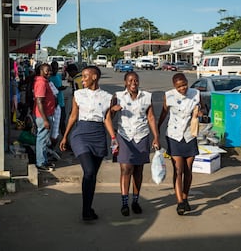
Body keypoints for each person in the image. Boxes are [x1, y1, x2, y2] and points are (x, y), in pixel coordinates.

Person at [59, 66, 115, 221]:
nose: (82, 79)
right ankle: (85, 211)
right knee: (89, 171)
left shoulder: (107, 97)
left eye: (85, 76)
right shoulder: (78, 94)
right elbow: (72, 116)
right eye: (82, 76)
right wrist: (65, 136)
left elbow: (107, 119)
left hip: (98, 134)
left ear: (94, 77)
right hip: (80, 134)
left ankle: (88, 208)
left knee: (92, 176)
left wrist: (113, 137)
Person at [106, 71, 160, 217]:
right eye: (130, 81)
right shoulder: (118, 96)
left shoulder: (146, 97)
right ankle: (124, 202)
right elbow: (108, 117)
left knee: (138, 170)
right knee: (125, 168)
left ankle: (135, 200)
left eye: (135, 80)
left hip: (142, 136)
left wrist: (156, 136)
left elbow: (151, 117)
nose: (133, 83)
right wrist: (113, 110)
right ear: (125, 82)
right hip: (124, 136)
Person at [158, 73, 201, 215]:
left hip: (189, 135)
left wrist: (200, 113)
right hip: (174, 136)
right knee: (178, 169)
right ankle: (180, 202)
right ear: (174, 86)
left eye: (184, 85)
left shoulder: (196, 93)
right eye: (179, 86)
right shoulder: (169, 95)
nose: (182, 88)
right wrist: (157, 129)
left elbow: (202, 108)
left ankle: (185, 197)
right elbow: (164, 113)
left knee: (188, 170)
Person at [33, 63, 56, 171]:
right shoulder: (41, 83)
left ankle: (44, 160)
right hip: (43, 116)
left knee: (44, 139)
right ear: (41, 71)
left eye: (50, 70)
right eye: (47, 70)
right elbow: (39, 101)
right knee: (42, 139)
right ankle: (40, 162)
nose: (49, 72)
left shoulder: (44, 82)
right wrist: (45, 119)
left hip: (47, 114)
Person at [49, 61, 67, 143]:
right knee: (55, 123)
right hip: (53, 103)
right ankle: (54, 140)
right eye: (53, 68)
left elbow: (64, 77)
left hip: (61, 101)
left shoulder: (59, 76)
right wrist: (59, 88)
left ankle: (64, 139)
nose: (55, 70)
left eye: (56, 68)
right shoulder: (49, 78)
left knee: (62, 121)